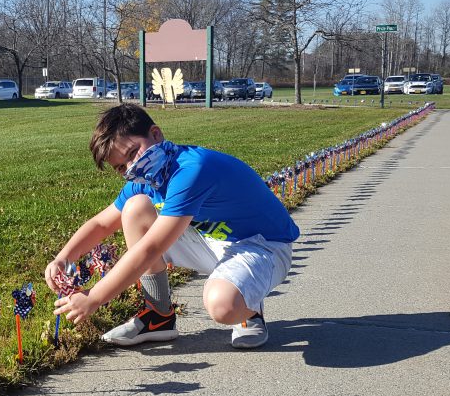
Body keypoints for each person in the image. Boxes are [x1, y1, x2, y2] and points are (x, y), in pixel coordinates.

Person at [46, 103, 299, 349]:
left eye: (133, 153)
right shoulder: (146, 177)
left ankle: (249, 308)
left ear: (156, 134)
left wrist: (94, 298)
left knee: (222, 305)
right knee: (135, 209)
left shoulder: (191, 170)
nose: (132, 167)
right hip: (212, 240)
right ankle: (159, 316)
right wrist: (63, 257)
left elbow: (151, 248)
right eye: (121, 167)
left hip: (262, 246)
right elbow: (101, 223)